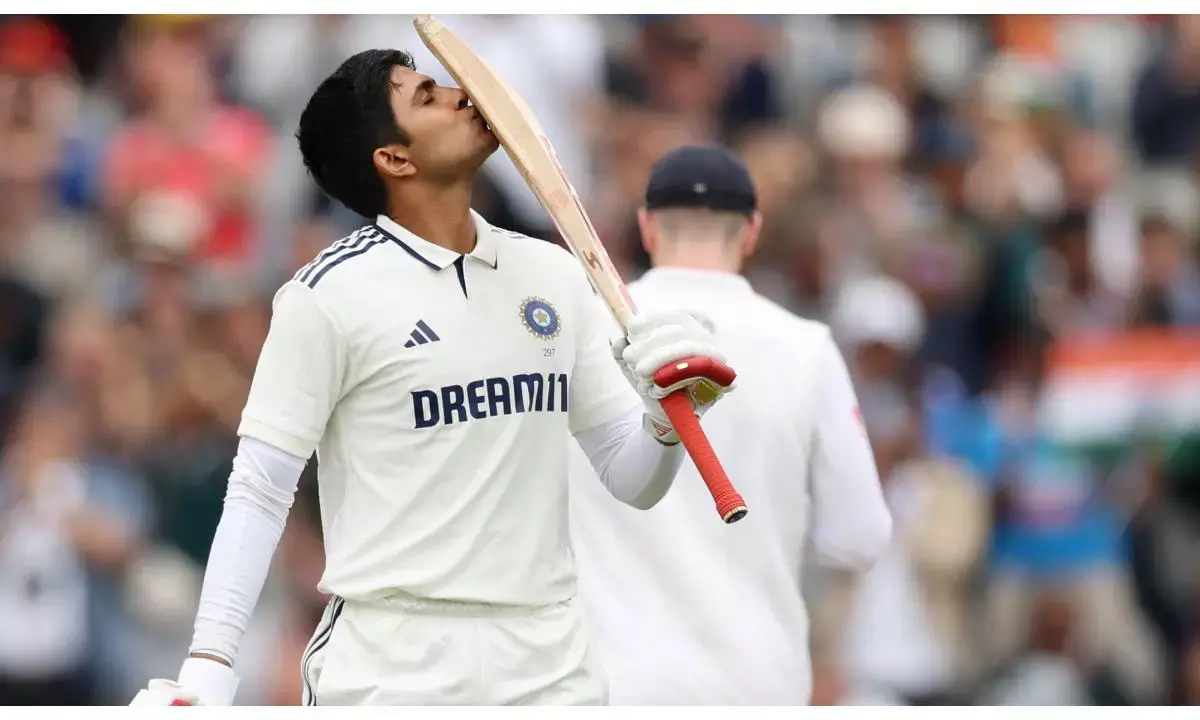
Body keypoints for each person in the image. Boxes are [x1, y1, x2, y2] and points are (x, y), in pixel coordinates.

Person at [130, 49, 734, 706]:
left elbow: (631, 476)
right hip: (393, 664)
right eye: (427, 96)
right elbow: (259, 490)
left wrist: (669, 416)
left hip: (549, 662)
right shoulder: (327, 296)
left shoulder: (555, 275)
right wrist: (208, 671)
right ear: (395, 159)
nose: (461, 95)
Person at [568, 145, 893, 705]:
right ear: (750, 232)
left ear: (647, 227)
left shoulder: (580, 331)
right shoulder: (804, 347)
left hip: (610, 680)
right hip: (754, 681)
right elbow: (858, 536)